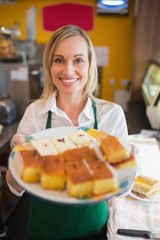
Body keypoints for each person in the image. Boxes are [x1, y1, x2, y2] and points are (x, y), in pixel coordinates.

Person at [6, 24, 129, 240]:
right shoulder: (36, 113)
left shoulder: (112, 114)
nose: (68, 70)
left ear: (90, 64)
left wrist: (126, 166)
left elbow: (121, 188)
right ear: (49, 65)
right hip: (43, 230)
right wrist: (18, 161)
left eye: (78, 60)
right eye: (59, 60)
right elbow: (16, 187)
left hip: (95, 229)